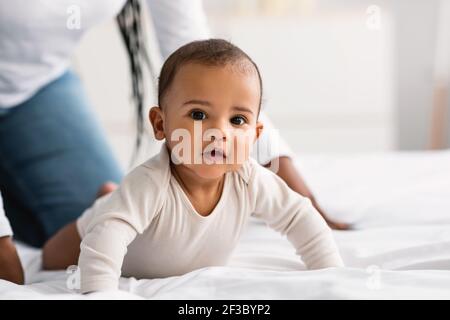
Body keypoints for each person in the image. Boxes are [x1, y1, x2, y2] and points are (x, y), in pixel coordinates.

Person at [42, 39, 344, 293]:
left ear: (255, 135)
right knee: (52, 256)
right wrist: (101, 292)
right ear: (161, 124)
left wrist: (331, 272)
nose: (219, 132)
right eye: (198, 115)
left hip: (142, 217)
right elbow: (106, 238)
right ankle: (108, 201)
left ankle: (111, 196)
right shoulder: (150, 183)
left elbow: (299, 217)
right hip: (100, 225)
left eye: (237, 120)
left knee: (122, 203)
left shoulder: (250, 179)